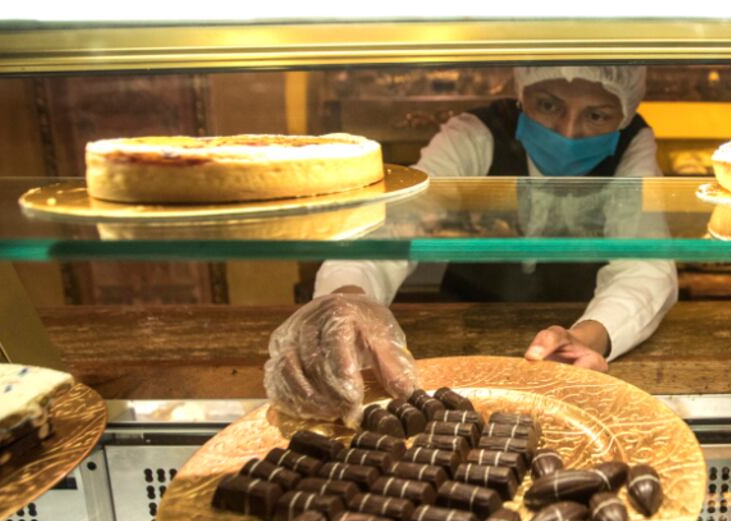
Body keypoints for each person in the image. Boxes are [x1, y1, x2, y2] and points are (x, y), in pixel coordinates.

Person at [265, 66, 677, 425]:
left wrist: (588, 337)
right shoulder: (476, 133)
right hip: (461, 336)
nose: (568, 132)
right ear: (523, 94)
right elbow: (394, 226)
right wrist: (349, 299)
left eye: (596, 115)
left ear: (624, 114)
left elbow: (645, 264)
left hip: (569, 344)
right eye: (548, 105)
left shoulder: (632, 144)